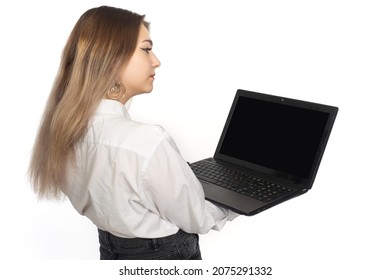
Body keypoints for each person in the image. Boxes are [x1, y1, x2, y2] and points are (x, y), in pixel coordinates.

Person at [28, 6, 238, 260]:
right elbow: (198, 219)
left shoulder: (65, 131)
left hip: (110, 250)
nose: (156, 61)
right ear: (112, 57)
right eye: (146, 49)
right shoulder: (147, 142)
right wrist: (236, 199)